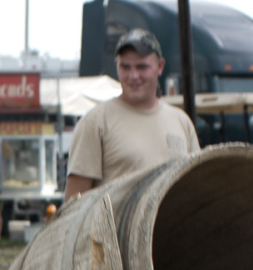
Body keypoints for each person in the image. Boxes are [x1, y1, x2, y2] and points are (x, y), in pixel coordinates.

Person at [64, 28, 200, 202]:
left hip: (174, 228)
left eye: (142, 67)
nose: (133, 76)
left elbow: (196, 189)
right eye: (125, 67)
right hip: (118, 230)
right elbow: (72, 206)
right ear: (116, 65)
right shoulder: (95, 122)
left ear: (160, 67)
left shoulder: (182, 122)